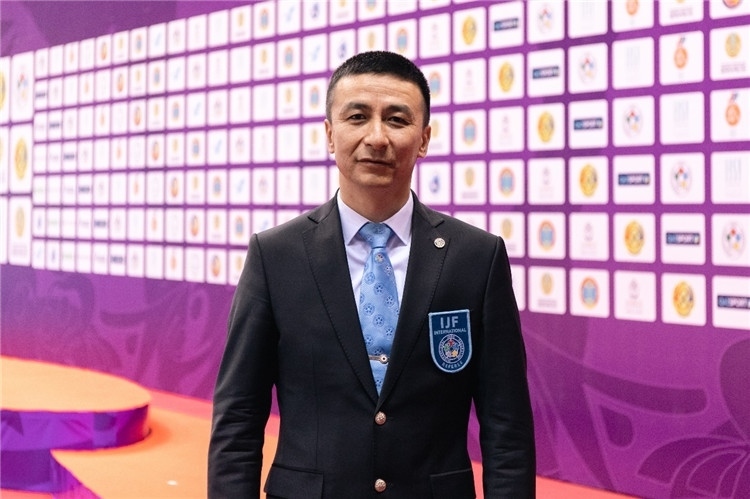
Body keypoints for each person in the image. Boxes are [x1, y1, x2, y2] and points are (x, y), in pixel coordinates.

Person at [208, 50, 535, 498]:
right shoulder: (276, 255)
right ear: (330, 134)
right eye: (357, 117)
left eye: (397, 120)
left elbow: (507, 425)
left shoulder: (476, 257)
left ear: (424, 139)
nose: (377, 137)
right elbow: (238, 417)